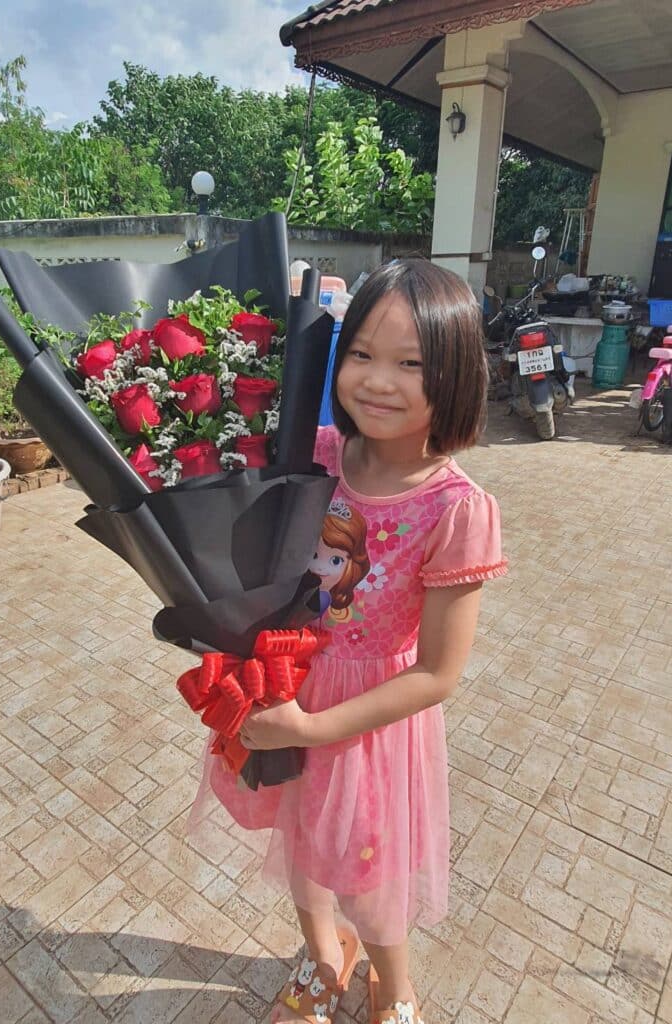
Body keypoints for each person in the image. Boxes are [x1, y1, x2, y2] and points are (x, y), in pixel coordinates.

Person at [190, 259, 507, 1024]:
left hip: (367, 722)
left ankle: (393, 984)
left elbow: (436, 675)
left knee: (368, 868)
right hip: (285, 684)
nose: (377, 380)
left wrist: (315, 728)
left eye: (411, 363)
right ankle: (324, 957)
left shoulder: (456, 508)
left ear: (457, 376)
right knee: (302, 840)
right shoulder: (319, 452)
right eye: (361, 353)